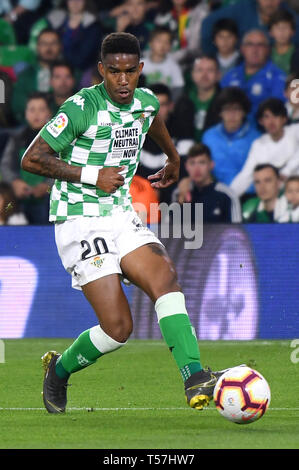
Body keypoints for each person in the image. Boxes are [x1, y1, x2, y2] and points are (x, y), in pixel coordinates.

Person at [21, 32, 228, 414]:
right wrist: (91, 175)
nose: (122, 80)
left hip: (119, 213)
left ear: (140, 70)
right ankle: (59, 369)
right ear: (101, 70)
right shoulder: (81, 106)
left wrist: (174, 158)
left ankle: (194, 375)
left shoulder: (145, 102)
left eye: (130, 72)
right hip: (79, 219)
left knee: (165, 278)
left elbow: (153, 122)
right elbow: (31, 159)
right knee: (118, 329)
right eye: (114, 71)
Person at [1, 92, 53, 224]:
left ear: (49, 113)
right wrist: (15, 183)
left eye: (41, 109)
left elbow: (64, 167)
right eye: (32, 109)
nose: (36, 114)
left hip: (47, 198)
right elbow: (6, 166)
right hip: (18, 198)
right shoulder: (17, 138)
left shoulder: (56, 140)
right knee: (7, 206)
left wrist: (46, 187)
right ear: (25, 113)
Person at [137, 83, 194, 203]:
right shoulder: (135, 130)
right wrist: (149, 190)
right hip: (142, 194)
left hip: (173, 193)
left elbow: (185, 168)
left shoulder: (183, 131)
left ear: (171, 106)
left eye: (162, 105)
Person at [231, 98, 299, 196]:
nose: (271, 121)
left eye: (275, 116)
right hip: (279, 197)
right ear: (261, 122)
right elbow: (245, 176)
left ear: (284, 119)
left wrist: (286, 171)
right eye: (266, 117)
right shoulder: (258, 145)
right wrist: (228, 197)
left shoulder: (296, 131)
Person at [202, 87, 260, 192]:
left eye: (237, 109)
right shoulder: (209, 136)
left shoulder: (256, 138)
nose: (232, 114)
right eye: (227, 109)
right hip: (215, 193)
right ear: (220, 112)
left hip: (247, 194)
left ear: (244, 112)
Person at [221, 29, 287, 119]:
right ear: (242, 49)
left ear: (268, 50)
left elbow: (277, 112)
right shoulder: (230, 75)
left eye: (260, 45)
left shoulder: (278, 78)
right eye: (250, 44)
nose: (255, 50)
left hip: (262, 129)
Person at [173, 143, 242, 223]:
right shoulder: (178, 193)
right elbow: (168, 230)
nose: (197, 169)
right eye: (192, 163)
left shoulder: (227, 195)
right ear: (186, 166)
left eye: (202, 162)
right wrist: (181, 199)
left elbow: (237, 232)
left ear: (211, 165)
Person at [201, 0, 299, 55]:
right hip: (241, 66)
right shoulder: (243, 8)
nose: (269, 2)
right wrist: (213, 57)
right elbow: (207, 24)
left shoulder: (292, 18)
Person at [12, 28, 62, 124]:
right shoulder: (25, 75)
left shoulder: (69, 74)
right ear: (37, 47)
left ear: (60, 46)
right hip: (27, 126)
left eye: (53, 43)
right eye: (44, 44)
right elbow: (17, 105)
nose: (49, 48)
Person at [180, 56, 221, 142]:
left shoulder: (224, 102)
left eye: (210, 70)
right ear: (192, 74)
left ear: (218, 75)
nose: (204, 75)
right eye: (199, 70)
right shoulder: (183, 101)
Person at [142, 27, 184, 101]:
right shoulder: (140, 64)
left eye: (166, 42)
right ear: (150, 43)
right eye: (159, 41)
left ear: (170, 46)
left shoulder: (174, 66)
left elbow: (178, 88)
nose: (162, 45)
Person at [269, 10, 299, 75]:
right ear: (270, 32)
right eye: (277, 28)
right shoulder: (265, 52)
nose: (282, 32)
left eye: (286, 27)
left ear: (293, 31)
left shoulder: (297, 53)